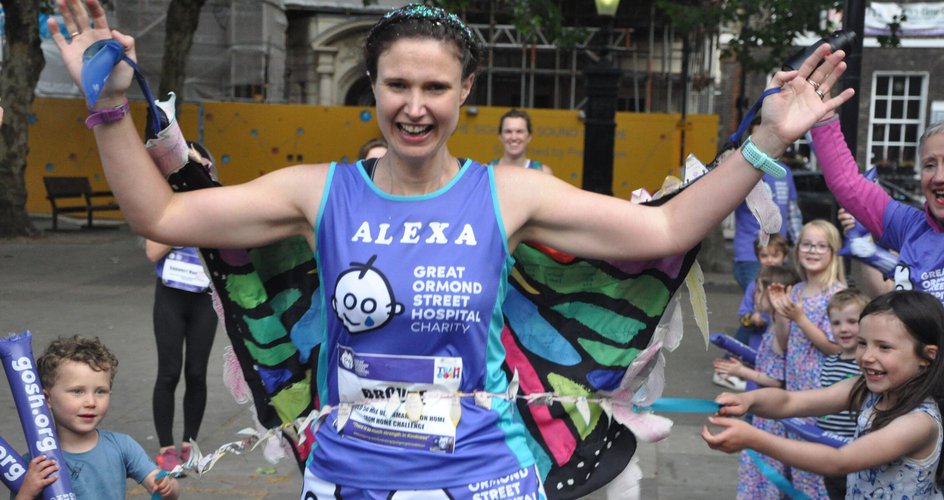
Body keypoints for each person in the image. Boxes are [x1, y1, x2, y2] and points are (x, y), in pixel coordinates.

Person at [49, 0, 853, 495]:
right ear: (373, 86)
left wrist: (767, 141)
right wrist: (111, 110)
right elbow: (161, 212)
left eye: (436, 87)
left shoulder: (510, 194)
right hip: (349, 477)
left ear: (465, 92)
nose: (414, 106)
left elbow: (670, 230)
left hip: (487, 475)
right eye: (398, 85)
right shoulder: (317, 192)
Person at [811, 108, 944, 497]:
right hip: (902, 422)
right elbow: (846, 183)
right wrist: (822, 114)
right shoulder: (910, 227)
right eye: (929, 164)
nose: (938, 175)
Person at [702, 290, 944, 499]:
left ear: (927, 357)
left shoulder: (919, 422)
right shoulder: (865, 389)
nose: (867, 356)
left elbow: (840, 461)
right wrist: (748, 401)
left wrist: (754, 439)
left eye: (884, 347)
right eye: (863, 343)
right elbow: (791, 400)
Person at [14, 336, 179, 500]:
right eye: (77, 391)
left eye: (100, 391)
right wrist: (27, 492)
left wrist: (167, 487)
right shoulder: (36, 463)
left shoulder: (122, 446)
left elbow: (163, 486)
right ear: (47, 398)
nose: (91, 402)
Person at [766, 218, 845, 498]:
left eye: (821, 246)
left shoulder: (837, 294)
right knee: (794, 470)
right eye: (807, 244)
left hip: (822, 394)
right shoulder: (796, 289)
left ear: (834, 252)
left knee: (814, 473)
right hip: (795, 388)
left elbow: (835, 348)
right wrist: (779, 314)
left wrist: (799, 317)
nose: (812, 251)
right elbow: (786, 344)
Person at [714, 265, 800, 499]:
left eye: (759, 292)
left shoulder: (780, 329)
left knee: (767, 475)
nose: (754, 296)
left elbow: (775, 380)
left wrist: (741, 371)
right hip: (763, 411)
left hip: (770, 417)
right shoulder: (772, 328)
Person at [144, 238, 216, 473]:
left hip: (205, 298)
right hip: (170, 296)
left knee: (197, 372)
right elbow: (152, 252)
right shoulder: (170, 208)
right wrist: (188, 229)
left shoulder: (214, 203)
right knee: (169, 372)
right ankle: (166, 448)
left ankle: (189, 444)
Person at [731, 119, 802, 293]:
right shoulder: (742, 172)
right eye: (757, 138)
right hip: (750, 255)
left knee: (777, 307)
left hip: (779, 253)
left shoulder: (784, 172)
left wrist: (801, 247)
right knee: (759, 301)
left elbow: (792, 215)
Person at [714, 234, 789, 391]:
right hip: (757, 337)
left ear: (785, 257)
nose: (769, 260)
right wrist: (752, 318)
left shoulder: (790, 282)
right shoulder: (753, 285)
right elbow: (743, 312)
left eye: (775, 255)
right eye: (764, 255)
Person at [817, 288, 869, 498]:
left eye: (851, 321)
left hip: (856, 453)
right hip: (828, 451)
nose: (843, 329)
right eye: (836, 323)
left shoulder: (867, 365)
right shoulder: (829, 362)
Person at [487, 109, 553, 174]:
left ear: (529, 137)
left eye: (519, 131)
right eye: (508, 131)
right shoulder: (487, 171)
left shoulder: (542, 172)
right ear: (500, 136)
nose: (514, 137)